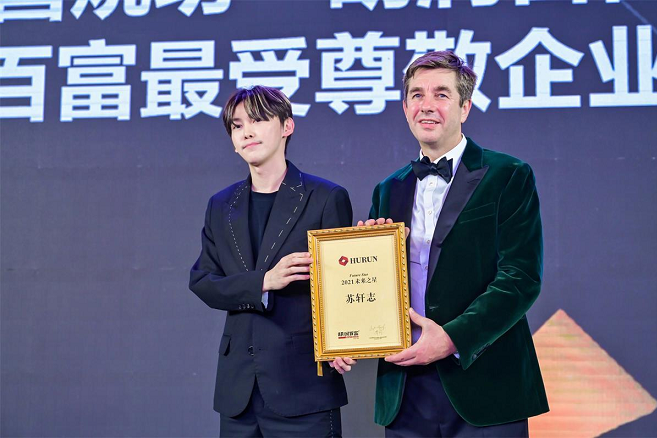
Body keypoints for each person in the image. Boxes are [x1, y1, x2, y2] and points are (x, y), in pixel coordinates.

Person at [331, 51, 549, 437]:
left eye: (441, 94)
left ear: (465, 107)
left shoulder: (509, 175)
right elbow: (375, 287)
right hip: (405, 390)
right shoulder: (389, 189)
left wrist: (451, 339)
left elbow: (521, 277)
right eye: (416, 95)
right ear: (405, 107)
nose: (427, 105)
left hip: (485, 381)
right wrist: (347, 332)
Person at [190, 85, 352, 437]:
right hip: (238, 393)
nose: (246, 132)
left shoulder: (325, 197)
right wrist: (263, 282)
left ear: (286, 127)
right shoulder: (221, 205)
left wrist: (345, 342)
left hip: (303, 387)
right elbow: (203, 282)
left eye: (258, 120)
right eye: (237, 126)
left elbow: (341, 285)